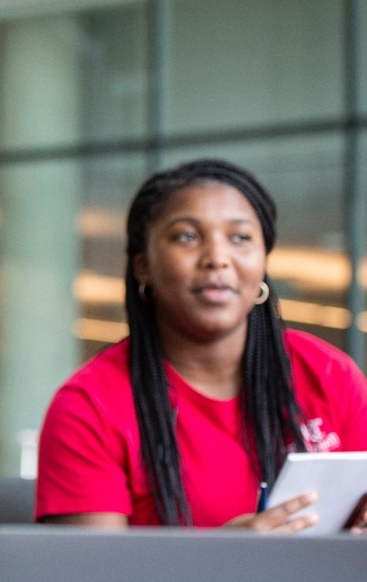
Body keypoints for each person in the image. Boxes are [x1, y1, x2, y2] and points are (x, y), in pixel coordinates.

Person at [36, 158, 367, 530]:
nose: (217, 259)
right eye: (187, 237)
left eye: (240, 237)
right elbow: (88, 581)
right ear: (143, 265)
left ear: (263, 263)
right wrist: (217, 560)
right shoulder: (89, 406)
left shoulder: (329, 375)